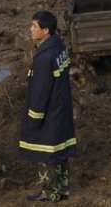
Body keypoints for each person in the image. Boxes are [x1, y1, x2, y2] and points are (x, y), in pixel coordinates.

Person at [20, 11, 76, 202]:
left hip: (49, 111)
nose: (31, 29)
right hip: (61, 107)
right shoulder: (58, 45)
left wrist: (34, 116)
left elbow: (40, 90)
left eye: (34, 26)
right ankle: (62, 188)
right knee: (60, 150)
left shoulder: (45, 56)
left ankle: (50, 191)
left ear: (46, 30)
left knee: (47, 152)